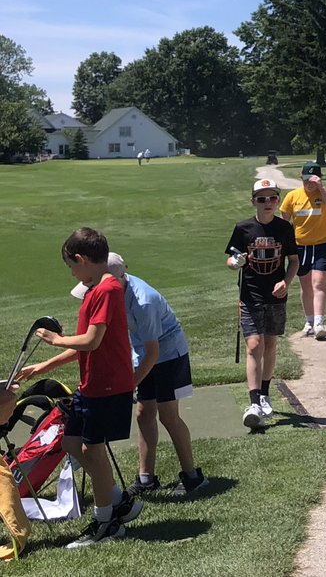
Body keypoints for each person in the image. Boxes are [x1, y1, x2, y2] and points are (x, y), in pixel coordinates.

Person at [18, 227, 143, 548]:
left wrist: (55, 339)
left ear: (81, 259)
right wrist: (45, 366)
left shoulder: (106, 290)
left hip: (108, 386)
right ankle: (119, 501)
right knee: (72, 443)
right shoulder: (95, 290)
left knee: (91, 451)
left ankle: (105, 524)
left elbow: (92, 339)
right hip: (91, 385)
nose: (72, 274)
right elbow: (86, 346)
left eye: (71, 267)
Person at [88, 253, 207, 497]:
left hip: (169, 354)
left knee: (168, 415)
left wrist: (129, 385)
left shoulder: (144, 302)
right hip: (145, 353)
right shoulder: (111, 294)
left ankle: (193, 477)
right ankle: (146, 479)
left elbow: (154, 352)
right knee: (143, 414)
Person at [226, 178, 298, 428]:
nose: (267, 203)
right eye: (262, 199)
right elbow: (231, 258)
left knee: (270, 344)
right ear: (253, 201)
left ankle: (265, 393)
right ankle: (254, 401)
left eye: (272, 198)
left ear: (278, 200)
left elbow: (294, 261)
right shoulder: (243, 228)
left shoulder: (284, 228)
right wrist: (236, 263)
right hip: (250, 295)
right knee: (254, 345)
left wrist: (286, 282)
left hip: (276, 296)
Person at [280, 162, 326, 340]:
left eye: (314, 179)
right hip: (300, 246)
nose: (310, 183)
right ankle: (309, 321)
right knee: (306, 285)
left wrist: (321, 189)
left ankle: (319, 323)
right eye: (307, 179)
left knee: (319, 283)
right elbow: (285, 221)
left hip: (323, 245)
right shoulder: (292, 196)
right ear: (301, 178)